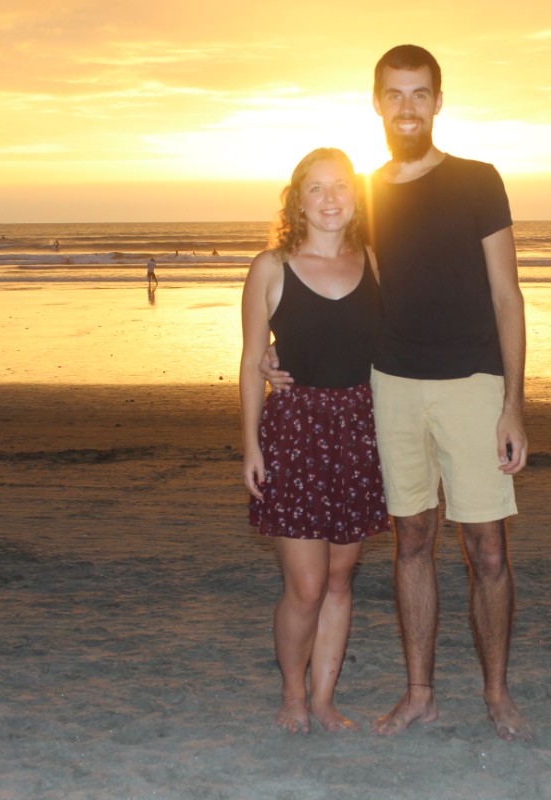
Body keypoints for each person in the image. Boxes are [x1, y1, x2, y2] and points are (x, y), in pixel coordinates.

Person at [266, 45, 531, 741]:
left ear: (438, 102)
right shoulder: (367, 195)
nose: (407, 107)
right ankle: (420, 693)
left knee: (489, 549)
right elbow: (332, 278)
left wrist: (513, 404)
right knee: (411, 539)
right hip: (392, 386)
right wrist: (274, 351)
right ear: (376, 103)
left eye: (420, 94)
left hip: (474, 383)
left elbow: (507, 296)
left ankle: (497, 694)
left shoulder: (479, 181)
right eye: (394, 94)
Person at [240, 148, 390, 735]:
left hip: (360, 428)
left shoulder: (376, 262)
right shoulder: (271, 267)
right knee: (303, 586)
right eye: (316, 188)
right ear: (297, 199)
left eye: (341, 187)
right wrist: (250, 445)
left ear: (356, 196)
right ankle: (292, 695)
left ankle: (324, 701)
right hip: (295, 430)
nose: (330, 199)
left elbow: (398, 351)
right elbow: (253, 361)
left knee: (337, 580)